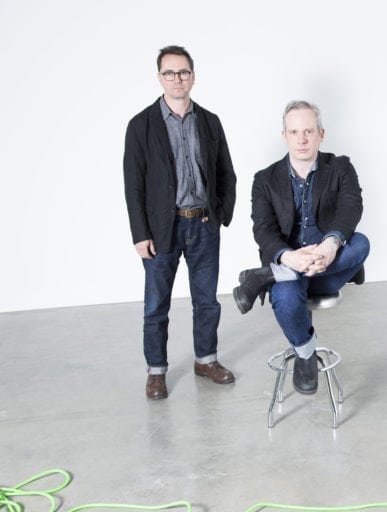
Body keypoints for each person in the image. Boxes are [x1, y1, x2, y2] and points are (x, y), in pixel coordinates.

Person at [123, 45, 237, 400]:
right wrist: (140, 234)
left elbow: (226, 172)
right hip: (162, 229)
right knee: (156, 305)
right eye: (170, 73)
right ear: (160, 77)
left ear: (193, 76)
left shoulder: (210, 121)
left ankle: (206, 360)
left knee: (207, 301)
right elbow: (133, 184)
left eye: (183, 72)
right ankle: (156, 371)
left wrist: (220, 215)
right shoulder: (141, 125)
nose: (177, 79)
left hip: (203, 224)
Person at [233, 100, 369, 395]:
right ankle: (305, 353)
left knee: (360, 243)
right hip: (289, 262)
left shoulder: (341, 167)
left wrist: (330, 247)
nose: (302, 139)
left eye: (308, 131)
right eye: (294, 132)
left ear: (321, 134)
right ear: (284, 136)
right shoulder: (265, 179)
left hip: (327, 264)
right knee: (285, 295)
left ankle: (266, 276)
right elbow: (263, 229)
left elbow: (351, 208)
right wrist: (287, 257)